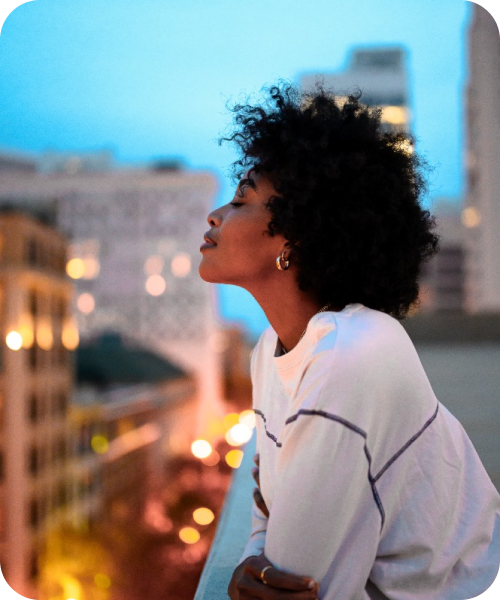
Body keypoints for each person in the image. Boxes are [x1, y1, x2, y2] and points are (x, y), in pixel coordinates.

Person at [198, 83, 500, 600]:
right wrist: (253, 558)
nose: (215, 216)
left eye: (241, 199)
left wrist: (263, 563)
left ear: (292, 237)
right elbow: (264, 509)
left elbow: (305, 583)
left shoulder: (351, 356)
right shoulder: (270, 352)